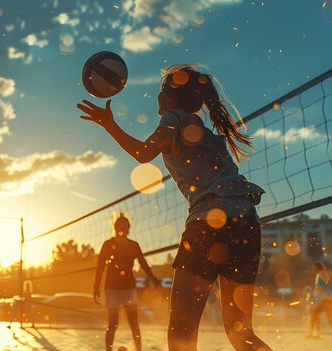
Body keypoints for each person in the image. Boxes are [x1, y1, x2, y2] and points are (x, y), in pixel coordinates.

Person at [78, 64, 272, 351]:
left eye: (160, 91)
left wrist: (110, 125)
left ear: (169, 97)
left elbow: (144, 153)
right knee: (241, 334)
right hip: (247, 223)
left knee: (180, 338)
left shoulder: (174, 119)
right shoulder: (207, 134)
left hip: (209, 224)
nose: (157, 98)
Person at [94, 214, 161, 351]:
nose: (122, 228)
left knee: (134, 324)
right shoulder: (108, 244)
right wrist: (96, 286)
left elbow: (143, 263)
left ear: (128, 228)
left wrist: (153, 278)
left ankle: (138, 350)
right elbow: (100, 266)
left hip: (128, 289)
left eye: (124, 225)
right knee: (113, 324)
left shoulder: (133, 245)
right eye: (120, 225)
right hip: (112, 289)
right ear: (115, 227)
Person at [306, 261, 332, 339]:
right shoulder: (321, 274)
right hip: (324, 300)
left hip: (327, 300)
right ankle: (312, 333)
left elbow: (325, 285)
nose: (313, 269)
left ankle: (312, 333)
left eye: (314, 267)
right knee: (314, 314)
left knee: (330, 318)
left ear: (318, 267)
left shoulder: (321, 273)